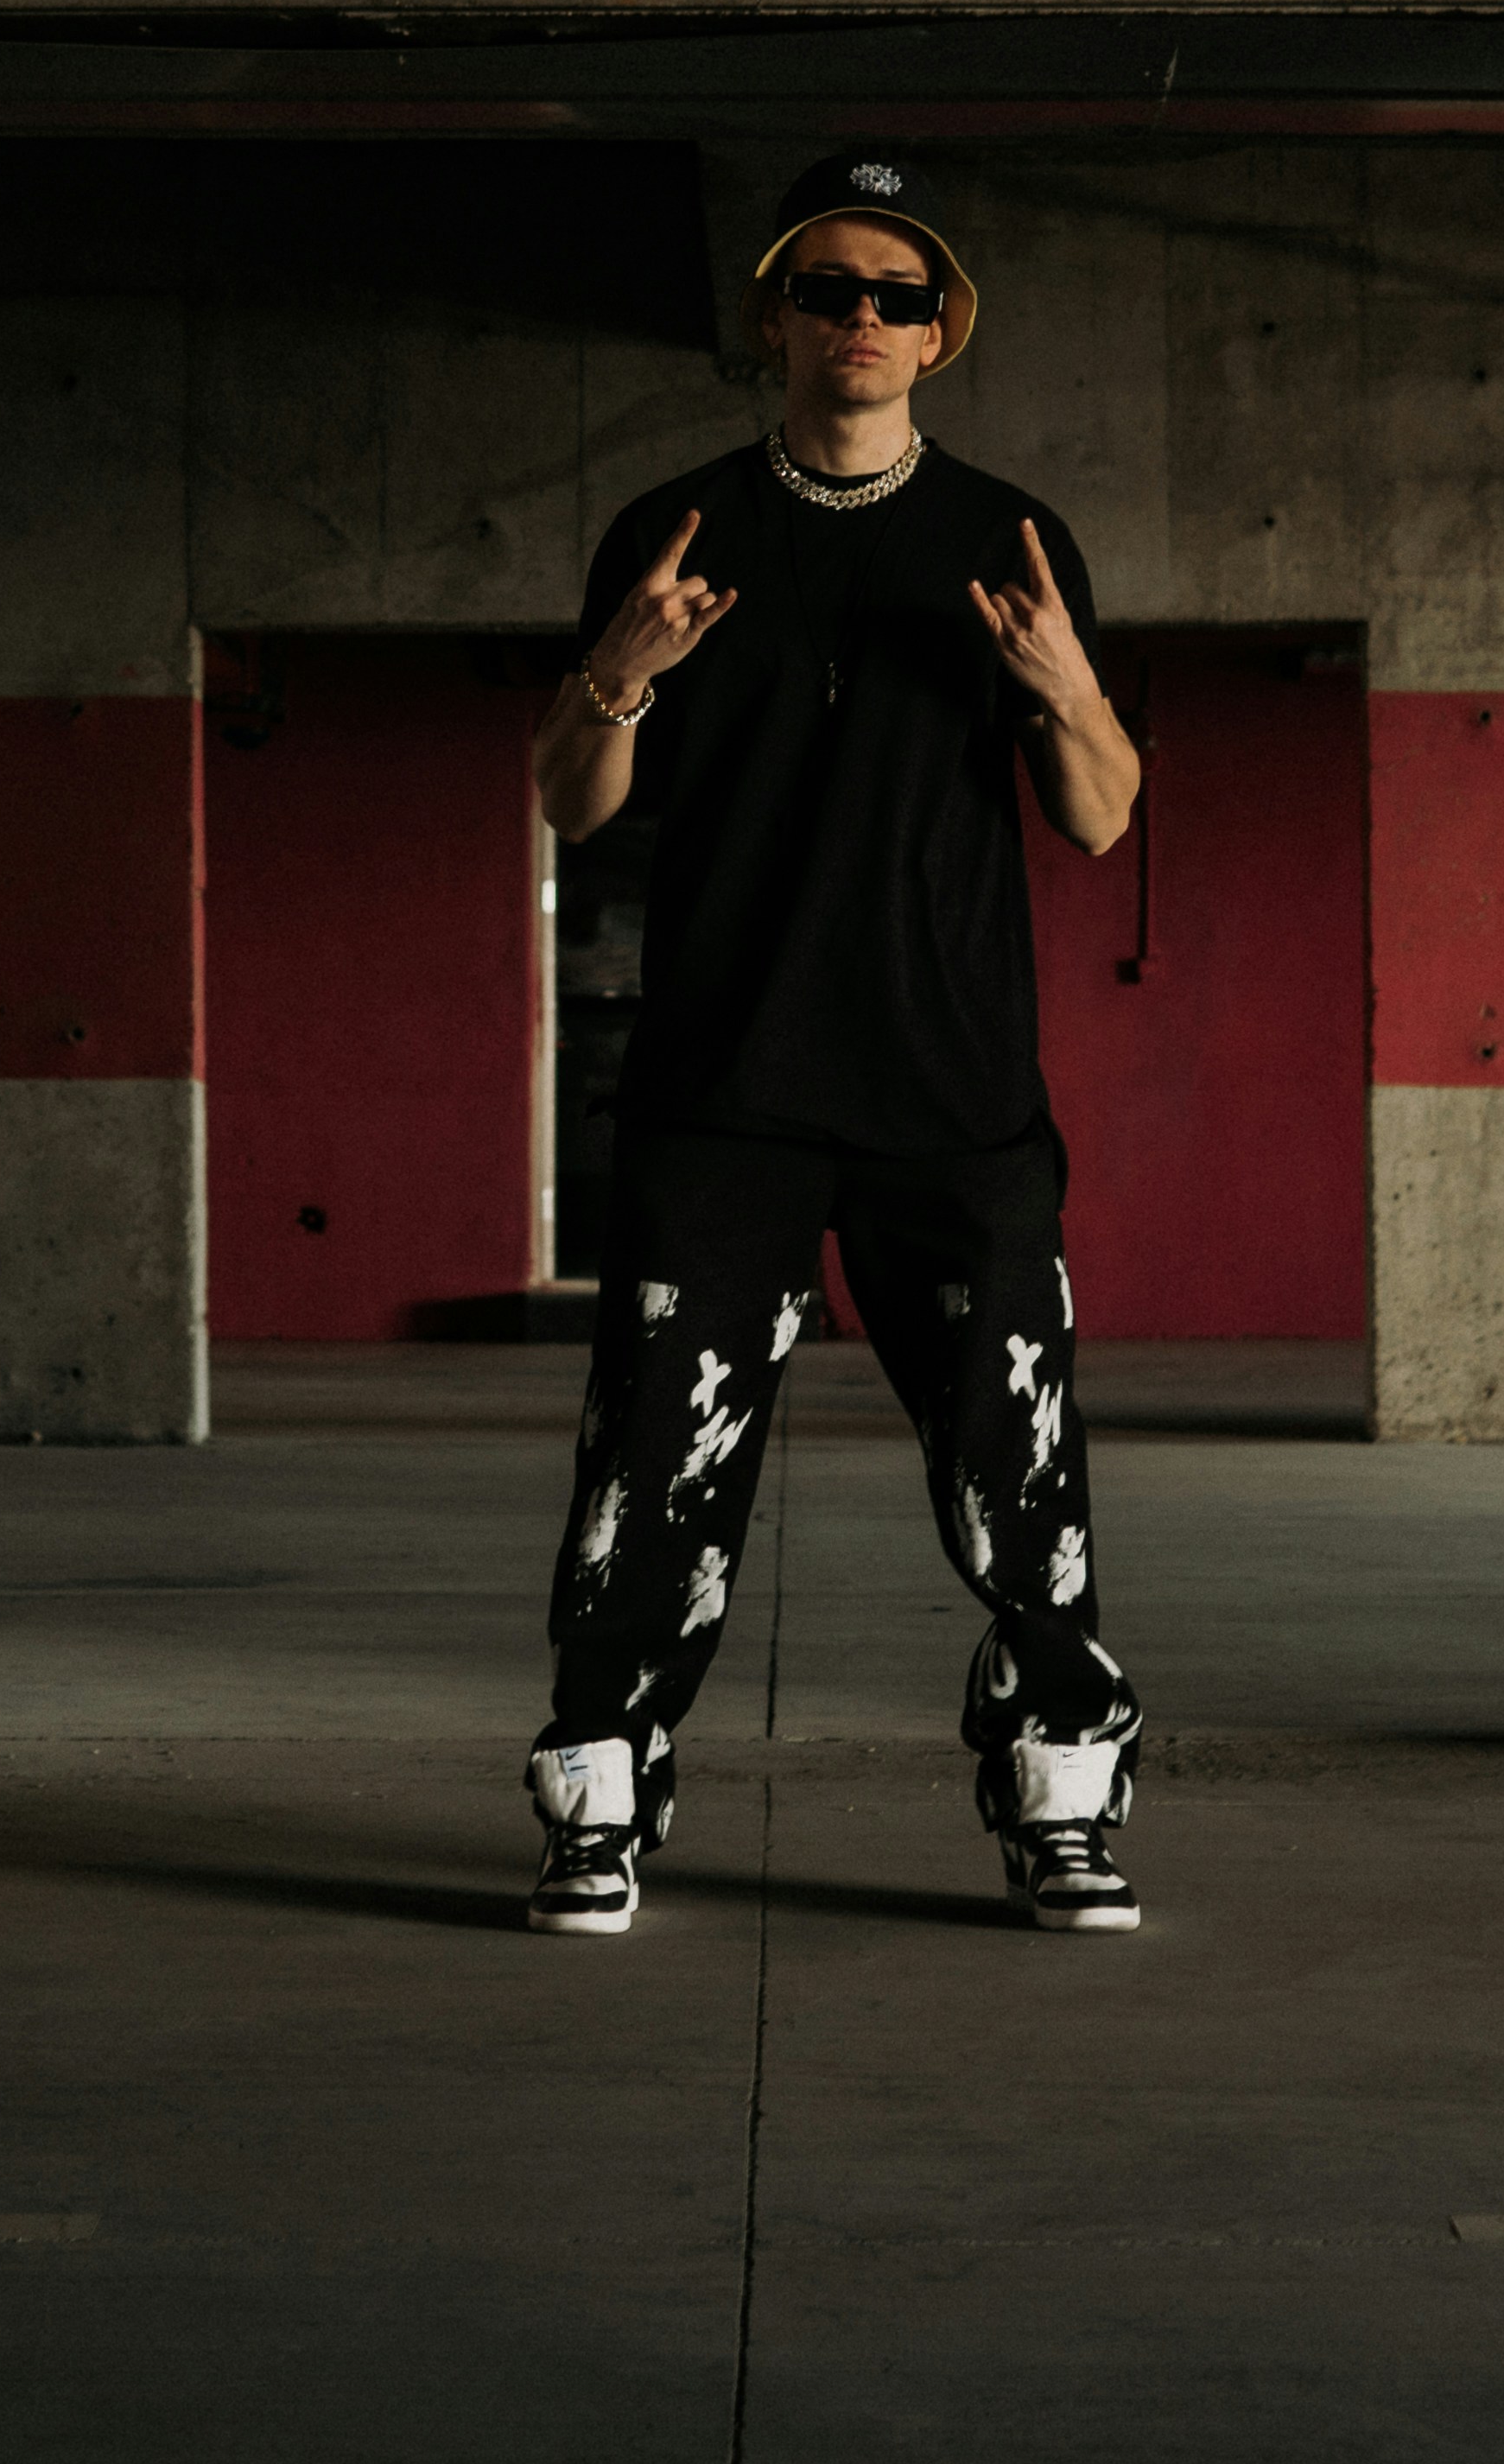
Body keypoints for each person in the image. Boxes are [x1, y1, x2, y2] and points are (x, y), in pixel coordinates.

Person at [517, 151, 1151, 1938]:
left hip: (952, 1095)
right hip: (727, 1090)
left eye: (895, 294)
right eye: (826, 287)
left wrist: (1067, 687)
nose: (859, 318)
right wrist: (621, 670)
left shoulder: (1010, 543)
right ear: (773, 316)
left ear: (937, 335)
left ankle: (1063, 1787)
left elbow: (1099, 816)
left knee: (1017, 1460)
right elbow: (574, 800)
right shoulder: (677, 530)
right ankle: (601, 1785)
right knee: (653, 1462)